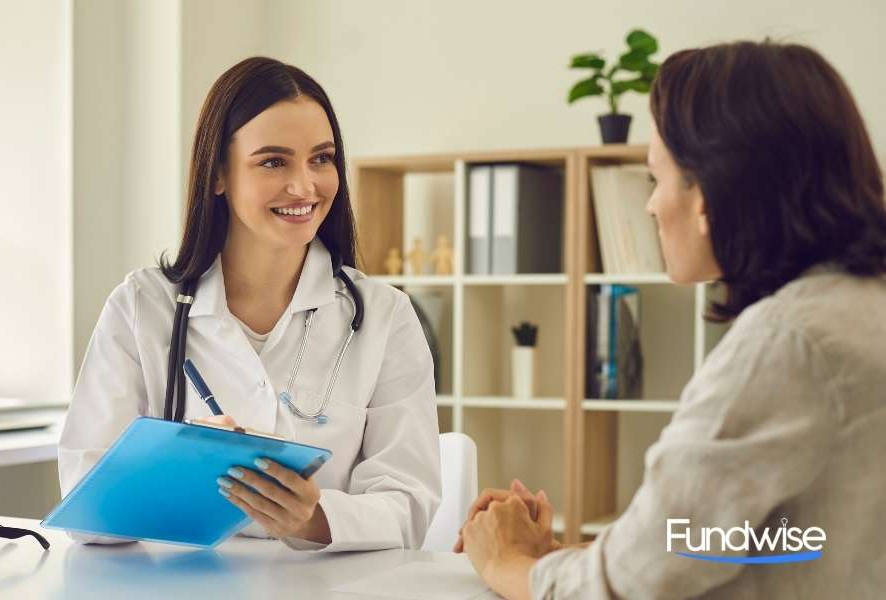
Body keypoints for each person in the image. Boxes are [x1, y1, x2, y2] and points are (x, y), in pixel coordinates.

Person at [458, 40, 886, 599]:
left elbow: (626, 592)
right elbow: (728, 546)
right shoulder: (858, 309)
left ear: (707, 194)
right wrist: (564, 557)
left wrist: (507, 560)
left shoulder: (786, 343)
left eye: (655, 178)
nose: (650, 205)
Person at [59, 57, 441, 552]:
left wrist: (313, 516)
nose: (305, 186)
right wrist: (177, 465)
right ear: (218, 174)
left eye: (321, 159)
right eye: (273, 161)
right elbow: (86, 516)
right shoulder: (141, 306)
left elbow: (410, 504)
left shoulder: (384, 316)